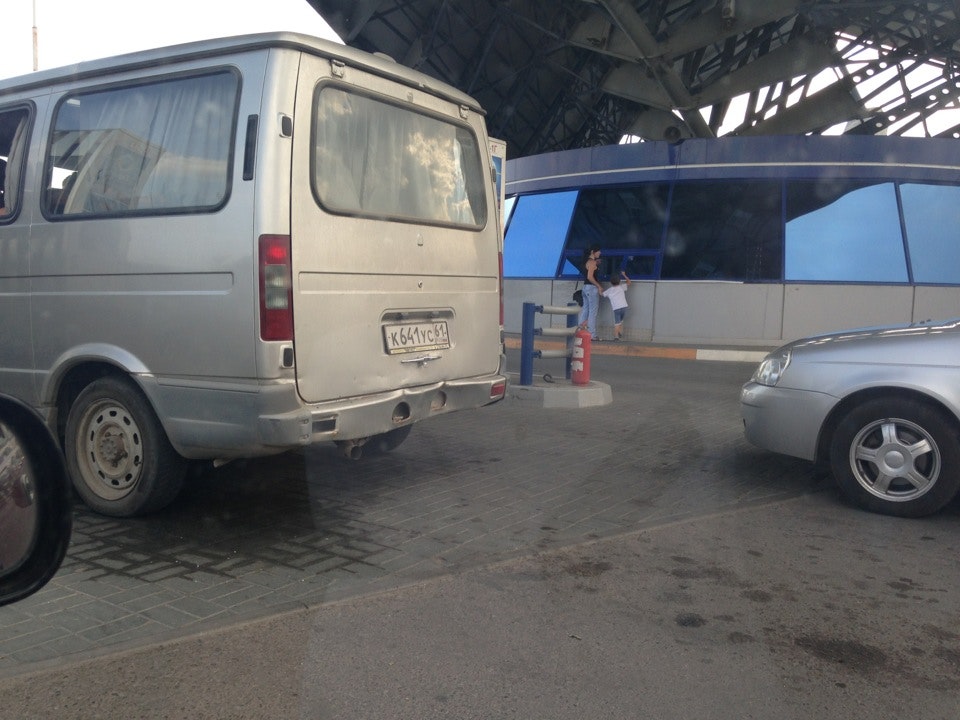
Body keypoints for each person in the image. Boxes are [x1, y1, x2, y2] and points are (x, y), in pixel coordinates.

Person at [578, 246, 603, 341]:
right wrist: (599, 286)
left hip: (585, 288)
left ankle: (580, 332)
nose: (600, 252)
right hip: (592, 288)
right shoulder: (592, 262)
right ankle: (592, 335)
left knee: (585, 310)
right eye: (598, 251)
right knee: (592, 312)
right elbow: (590, 277)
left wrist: (596, 264)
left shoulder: (587, 261)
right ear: (593, 252)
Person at [604, 270, 632, 341]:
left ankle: (616, 337)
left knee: (617, 322)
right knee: (620, 321)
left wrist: (599, 288)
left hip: (616, 308)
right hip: (624, 307)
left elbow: (602, 294)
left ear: (611, 282)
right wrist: (624, 275)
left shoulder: (609, 290)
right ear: (619, 282)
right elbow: (629, 282)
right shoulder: (621, 287)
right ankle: (619, 332)